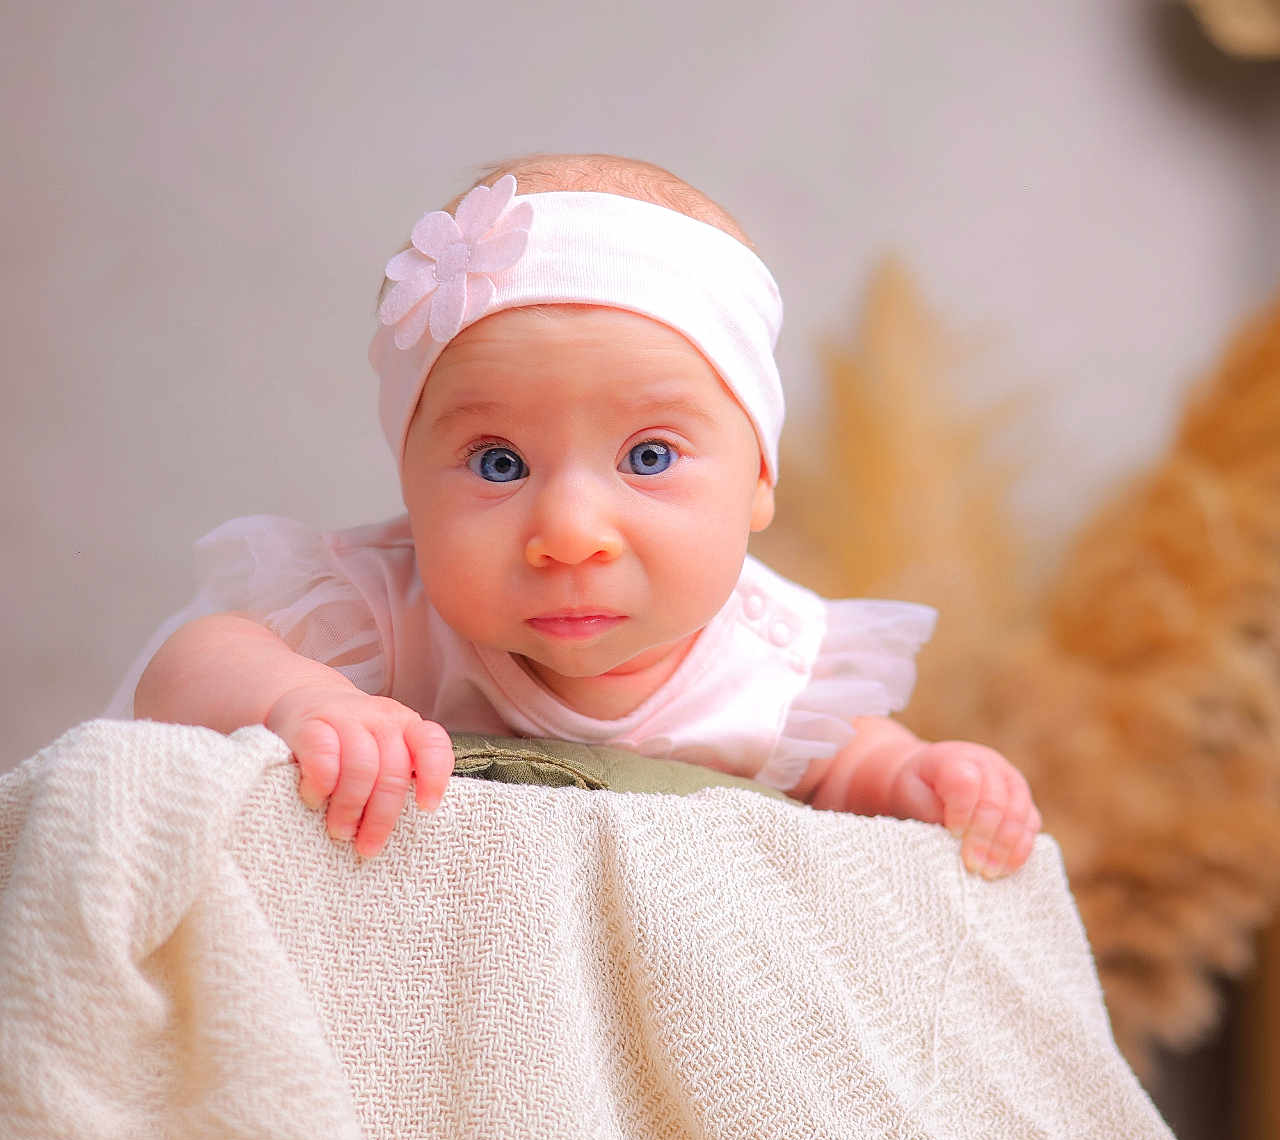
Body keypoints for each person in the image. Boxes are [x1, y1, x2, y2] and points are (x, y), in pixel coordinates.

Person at [127, 153, 1041, 873]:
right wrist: (304, 701)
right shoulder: (381, 615)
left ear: (760, 478)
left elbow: (844, 768)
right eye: (498, 463)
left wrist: (915, 778)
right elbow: (184, 671)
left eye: (649, 457)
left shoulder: (777, 662)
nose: (568, 533)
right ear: (410, 482)